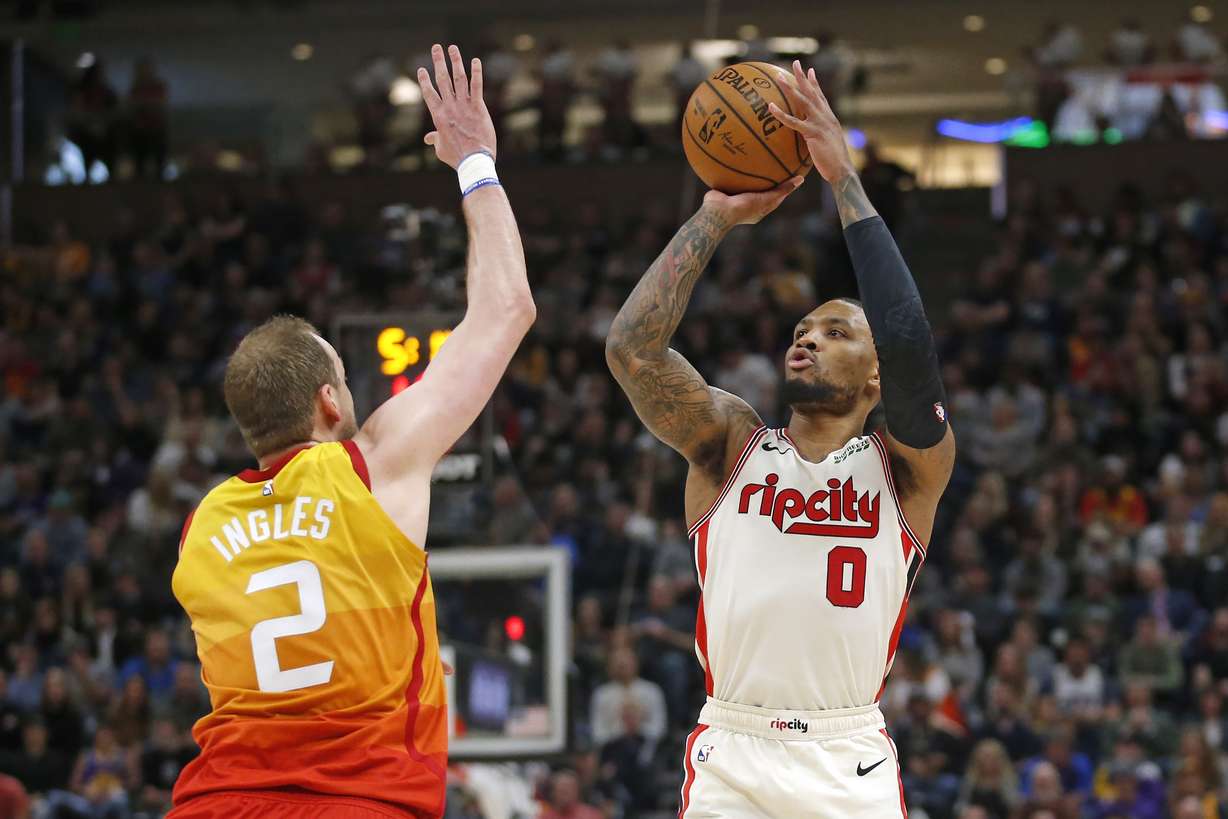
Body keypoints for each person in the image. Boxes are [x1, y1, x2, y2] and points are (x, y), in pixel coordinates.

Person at [168, 44, 535, 819]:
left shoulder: (202, 527)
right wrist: (476, 163)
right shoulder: (372, 466)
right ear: (330, 402)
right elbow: (506, 309)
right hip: (358, 799)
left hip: (214, 801)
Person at [607, 61, 954, 816]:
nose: (807, 339)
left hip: (846, 756)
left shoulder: (905, 469)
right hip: (733, 750)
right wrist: (715, 217)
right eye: (802, 329)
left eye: (836, 332)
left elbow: (906, 336)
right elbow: (631, 349)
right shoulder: (731, 443)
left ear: (877, 376)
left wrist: (843, 179)